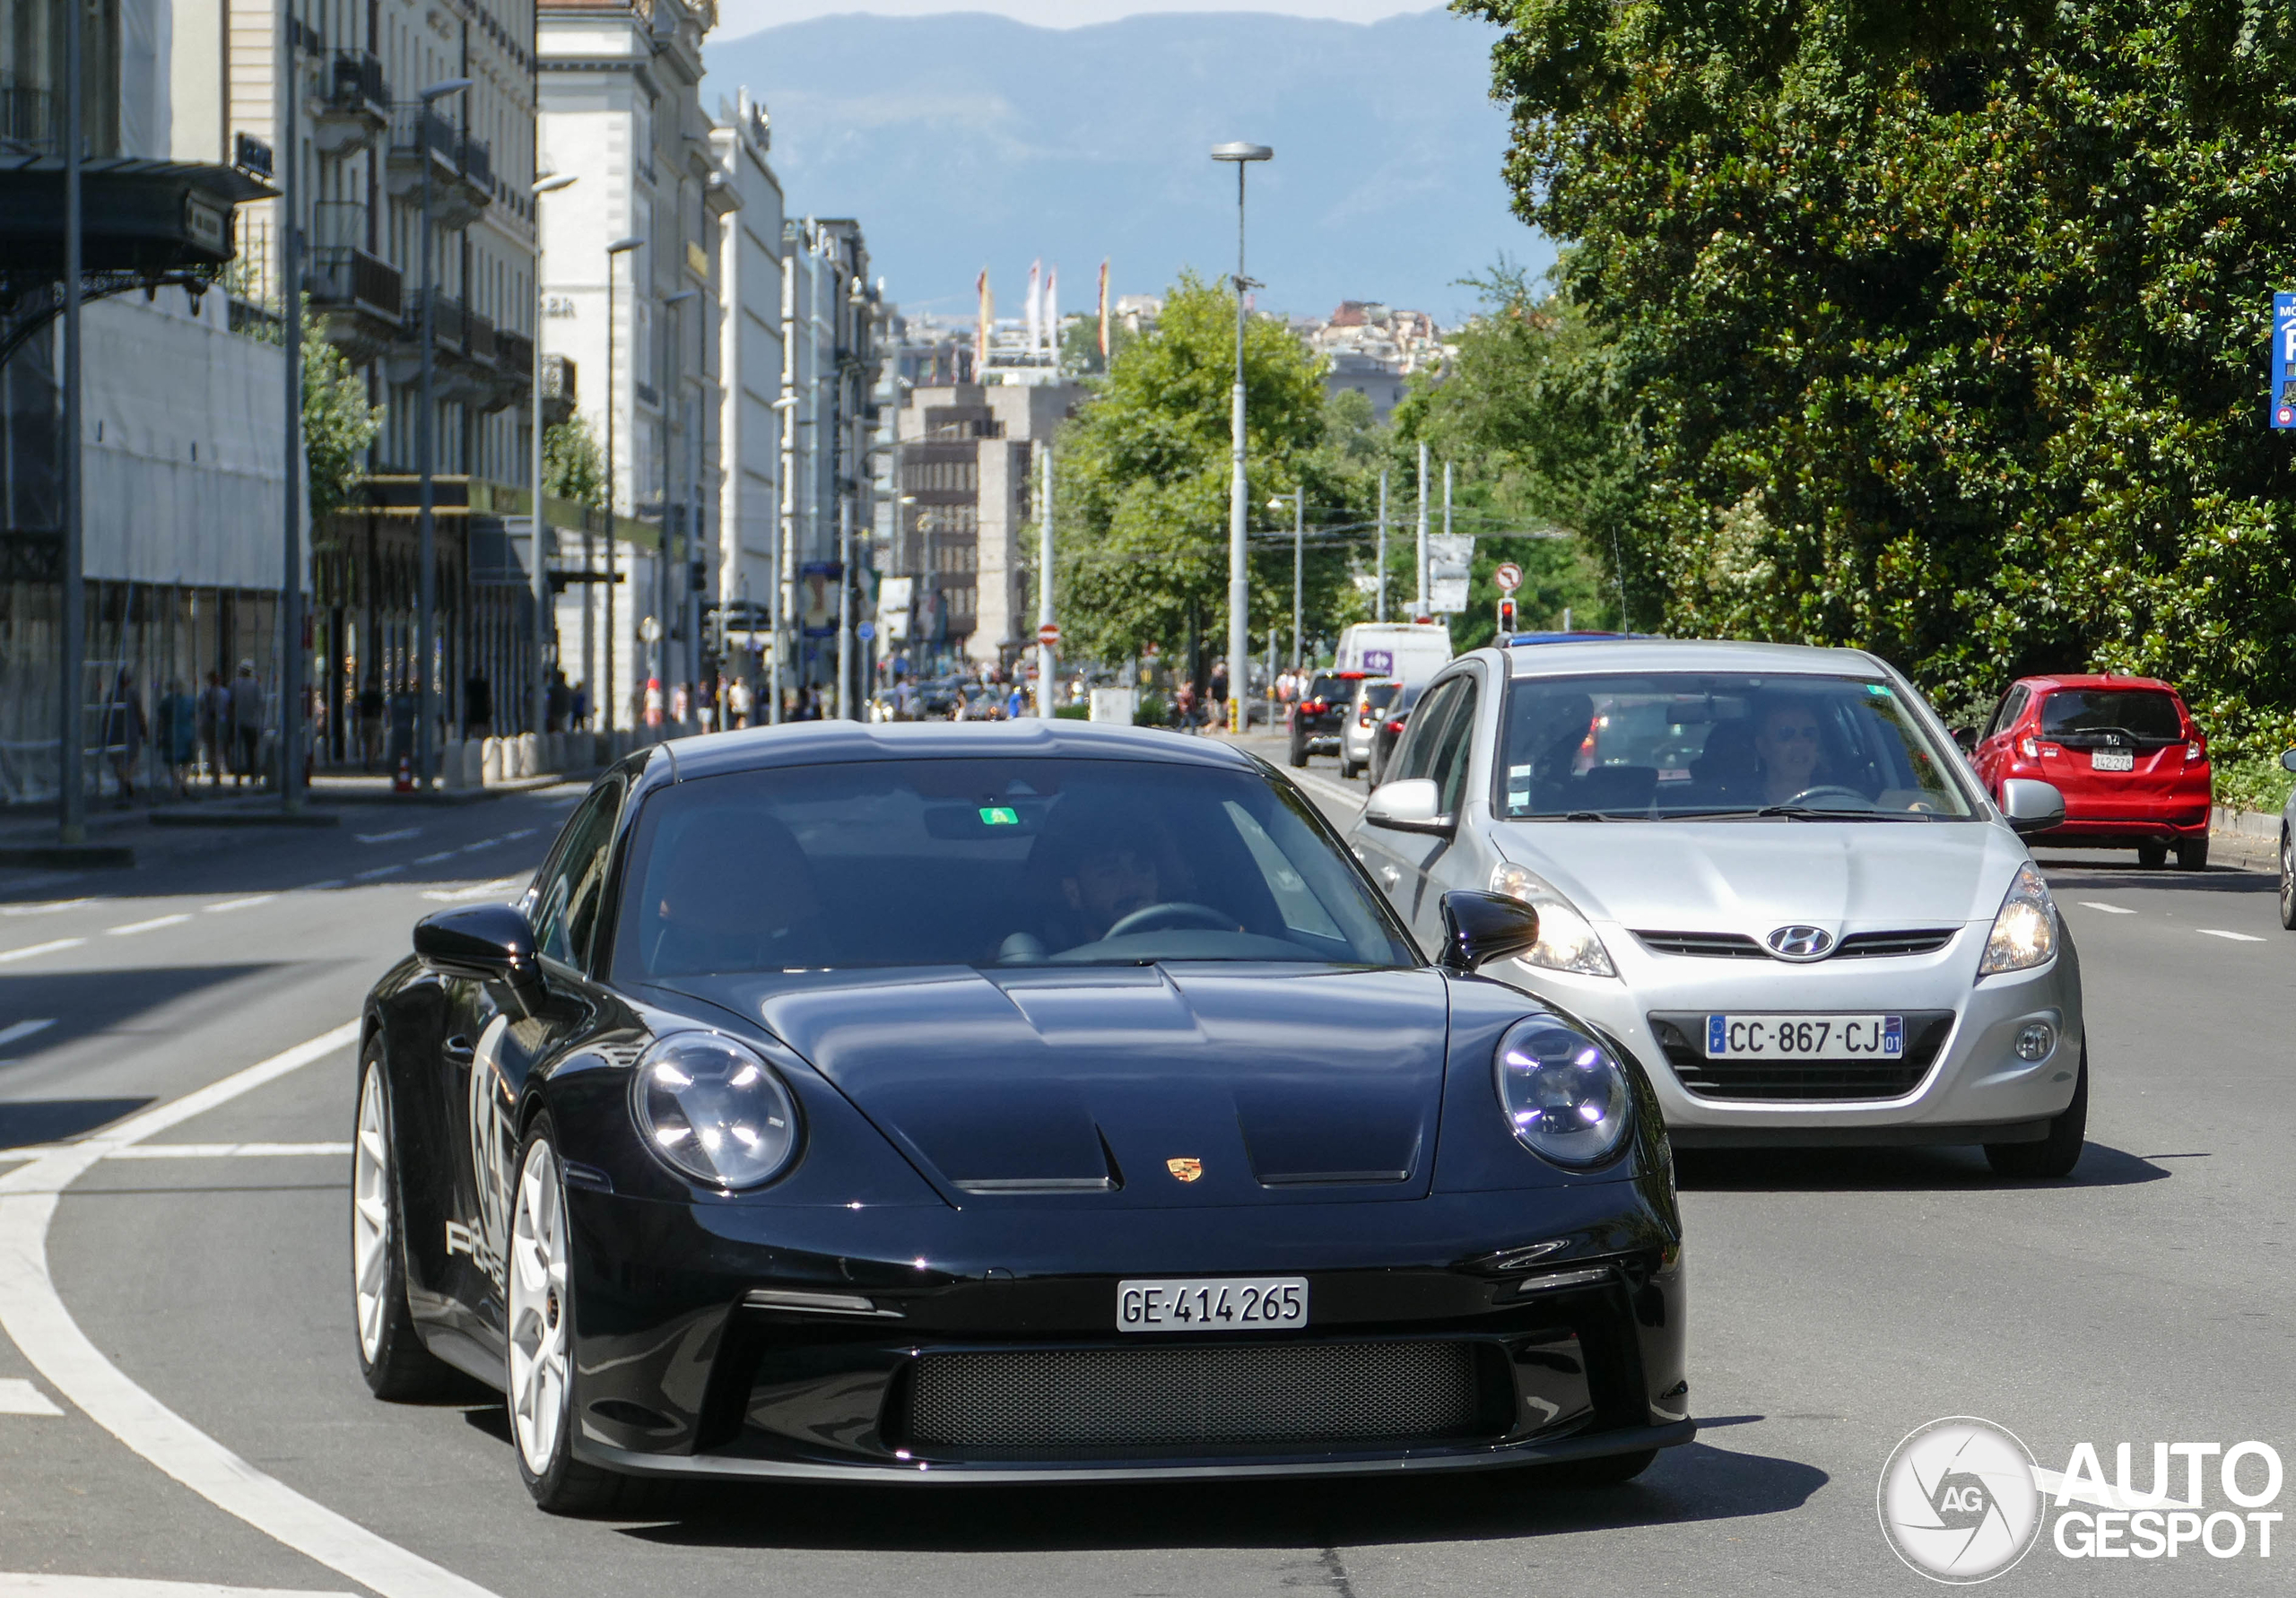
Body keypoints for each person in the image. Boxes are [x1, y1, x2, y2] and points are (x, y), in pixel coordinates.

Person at [1754, 697, 1828, 805]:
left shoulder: (1844, 803)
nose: (1800, 743)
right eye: (1786, 735)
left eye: (1808, 734)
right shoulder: (1735, 807)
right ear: (1763, 747)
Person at [101, 667, 147, 806]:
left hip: (115, 730)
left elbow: (106, 715)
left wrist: (104, 732)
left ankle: (124, 782)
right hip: (132, 730)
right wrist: (144, 730)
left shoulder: (112, 695)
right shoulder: (134, 694)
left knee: (117, 760)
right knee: (132, 758)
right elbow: (140, 714)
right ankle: (127, 781)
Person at [155, 677, 196, 800]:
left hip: (170, 733)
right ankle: (184, 781)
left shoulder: (165, 702)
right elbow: (195, 718)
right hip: (186, 732)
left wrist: (158, 736)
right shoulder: (190, 701)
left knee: (172, 762)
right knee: (188, 760)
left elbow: (161, 722)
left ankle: (177, 786)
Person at [229, 660, 265, 786]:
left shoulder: (234, 684)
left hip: (238, 721)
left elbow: (231, 703)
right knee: (251, 750)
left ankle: (238, 776)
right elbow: (260, 703)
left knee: (238, 750)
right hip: (252, 722)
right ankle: (253, 775)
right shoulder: (255, 685)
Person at [199, 670, 230, 786]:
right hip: (220, 722)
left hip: (208, 723)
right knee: (219, 748)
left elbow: (200, 707)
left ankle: (215, 772)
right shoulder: (225, 693)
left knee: (211, 749)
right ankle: (218, 772)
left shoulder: (204, 693)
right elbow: (228, 708)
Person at [357, 674, 386, 771]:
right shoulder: (364, 696)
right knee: (367, 742)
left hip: (375, 721)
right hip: (366, 720)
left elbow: (384, 708)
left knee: (373, 741)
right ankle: (370, 759)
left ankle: (370, 762)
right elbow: (358, 709)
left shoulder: (378, 696)